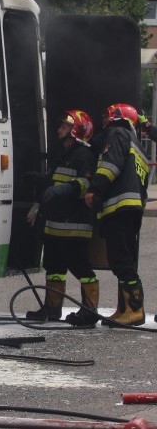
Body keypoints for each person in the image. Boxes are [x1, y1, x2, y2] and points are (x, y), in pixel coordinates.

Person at [24, 110, 99, 325]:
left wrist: (64, 190)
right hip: (55, 224)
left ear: (77, 130)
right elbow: (53, 181)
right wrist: (39, 181)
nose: (59, 130)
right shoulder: (62, 154)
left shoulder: (83, 156)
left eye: (65, 127)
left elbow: (88, 184)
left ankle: (90, 312)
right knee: (54, 267)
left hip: (75, 224)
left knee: (80, 267)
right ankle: (52, 309)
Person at [85, 103, 148, 327]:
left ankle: (135, 310)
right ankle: (124, 310)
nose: (103, 120)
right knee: (123, 260)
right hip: (130, 210)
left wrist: (95, 189)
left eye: (106, 115)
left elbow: (111, 166)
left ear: (117, 117)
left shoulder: (116, 133)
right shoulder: (137, 145)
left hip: (119, 209)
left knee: (121, 260)